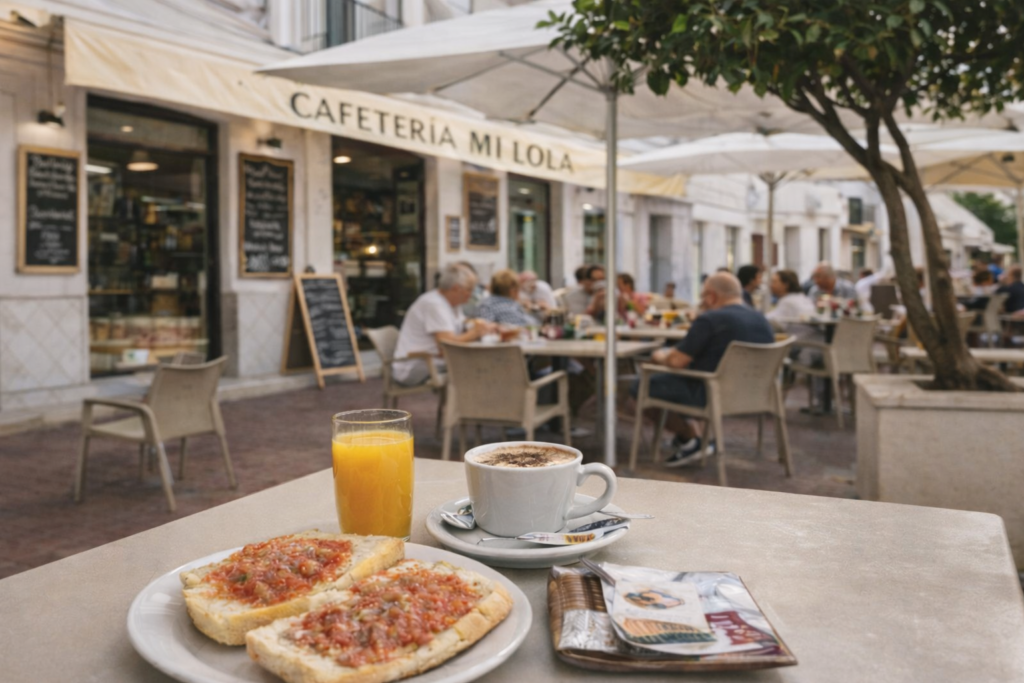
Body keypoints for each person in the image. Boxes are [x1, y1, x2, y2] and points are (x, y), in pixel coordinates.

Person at [631, 272, 774, 467]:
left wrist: (659, 355)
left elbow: (676, 361)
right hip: (757, 394)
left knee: (641, 385)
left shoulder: (710, 320)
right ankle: (694, 439)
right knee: (672, 381)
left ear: (711, 296)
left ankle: (690, 439)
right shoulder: (761, 320)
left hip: (709, 394)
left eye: (703, 296)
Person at [393, 264, 497, 386]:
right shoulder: (434, 304)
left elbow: (462, 325)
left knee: (483, 363)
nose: (472, 294)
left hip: (431, 360)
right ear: (456, 288)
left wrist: (481, 326)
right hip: (413, 366)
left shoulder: (452, 303)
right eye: (469, 289)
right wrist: (475, 332)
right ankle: (467, 403)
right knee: (481, 365)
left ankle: (469, 402)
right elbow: (446, 347)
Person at [766, 269, 817, 337]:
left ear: (786, 285)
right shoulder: (803, 298)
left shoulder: (788, 301)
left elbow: (775, 322)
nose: (771, 285)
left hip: (799, 342)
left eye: (774, 282)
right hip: (812, 339)